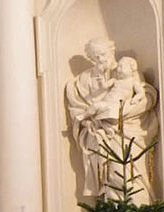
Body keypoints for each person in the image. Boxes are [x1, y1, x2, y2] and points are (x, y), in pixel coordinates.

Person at [65, 39, 158, 198]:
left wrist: (121, 113)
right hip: (100, 133)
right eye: (95, 57)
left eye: (103, 54)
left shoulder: (128, 71)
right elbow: (78, 107)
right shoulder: (85, 79)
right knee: (109, 174)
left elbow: (145, 98)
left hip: (127, 131)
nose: (100, 59)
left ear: (111, 51)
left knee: (128, 173)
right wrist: (92, 120)